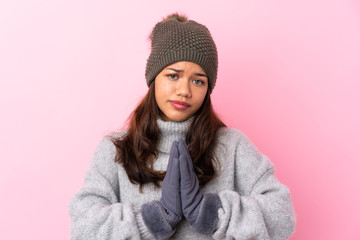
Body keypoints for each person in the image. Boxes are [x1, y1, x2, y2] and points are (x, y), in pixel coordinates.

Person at [68, 13, 296, 240]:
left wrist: (212, 213)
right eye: (173, 75)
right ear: (154, 78)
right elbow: (82, 228)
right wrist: (153, 219)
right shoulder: (115, 150)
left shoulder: (232, 146)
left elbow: (283, 217)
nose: (184, 90)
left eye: (198, 80)